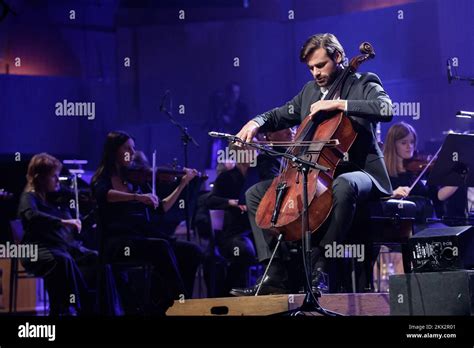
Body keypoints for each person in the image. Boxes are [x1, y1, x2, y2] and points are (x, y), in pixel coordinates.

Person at [230, 33, 393, 295]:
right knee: (255, 195)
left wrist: (338, 103)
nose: (316, 73)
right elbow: (279, 115)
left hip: (361, 173)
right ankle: (274, 273)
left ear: (338, 57)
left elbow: (385, 109)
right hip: (318, 173)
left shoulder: (364, 81)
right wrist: (255, 122)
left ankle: (322, 266)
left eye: (321, 65)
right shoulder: (309, 93)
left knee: (343, 183)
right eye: (311, 68)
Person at [91, 131, 202, 314]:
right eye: (127, 148)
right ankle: (183, 304)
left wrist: (182, 183)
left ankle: (165, 305)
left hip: (142, 237)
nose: (132, 152)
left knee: (192, 252)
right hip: (118, 242)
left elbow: (162, 207)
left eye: (133, 148)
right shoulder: (102, 179)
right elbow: (105, 195)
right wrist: (136, 197)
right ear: (114, 151)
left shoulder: (136, 179)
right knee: (161, 247)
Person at [18, 153, 113, 315]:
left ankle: (107, 308)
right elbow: (31, 216)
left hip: (62, 248)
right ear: (40, 178)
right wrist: (64, 222)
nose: (58, 180)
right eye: (53, 176)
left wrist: (98, 212)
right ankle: (83, 307)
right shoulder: (29, 197)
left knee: (101, 258)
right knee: (62, 260)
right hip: (36, 251)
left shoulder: (53, 198)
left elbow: (78, 225)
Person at [382, 122, 436, 225]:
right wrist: (392, 194)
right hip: (399, 225)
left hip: (423, 222)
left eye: (412, 142)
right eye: (404, 143)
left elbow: (435, 196)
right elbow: (376, 201)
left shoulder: (414, 170)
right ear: (393, 145)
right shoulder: (384, 171)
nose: (409, 146)